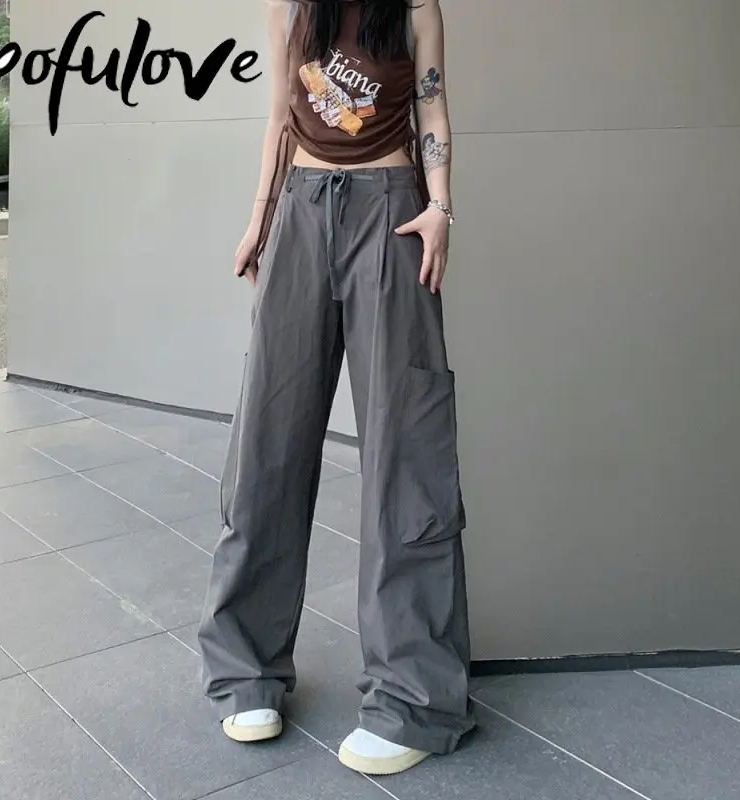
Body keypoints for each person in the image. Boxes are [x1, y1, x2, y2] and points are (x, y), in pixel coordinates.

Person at [198, 0, 474, 776]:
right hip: (301, 207)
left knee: (407, 449)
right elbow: (280, 112)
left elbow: (431, 104)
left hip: (391, 212)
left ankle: (414, 698)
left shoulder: (415, 7)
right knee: (268, 443)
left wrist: (441, 207)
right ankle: (245, 670)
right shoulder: (290, 6)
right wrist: (260, 216)